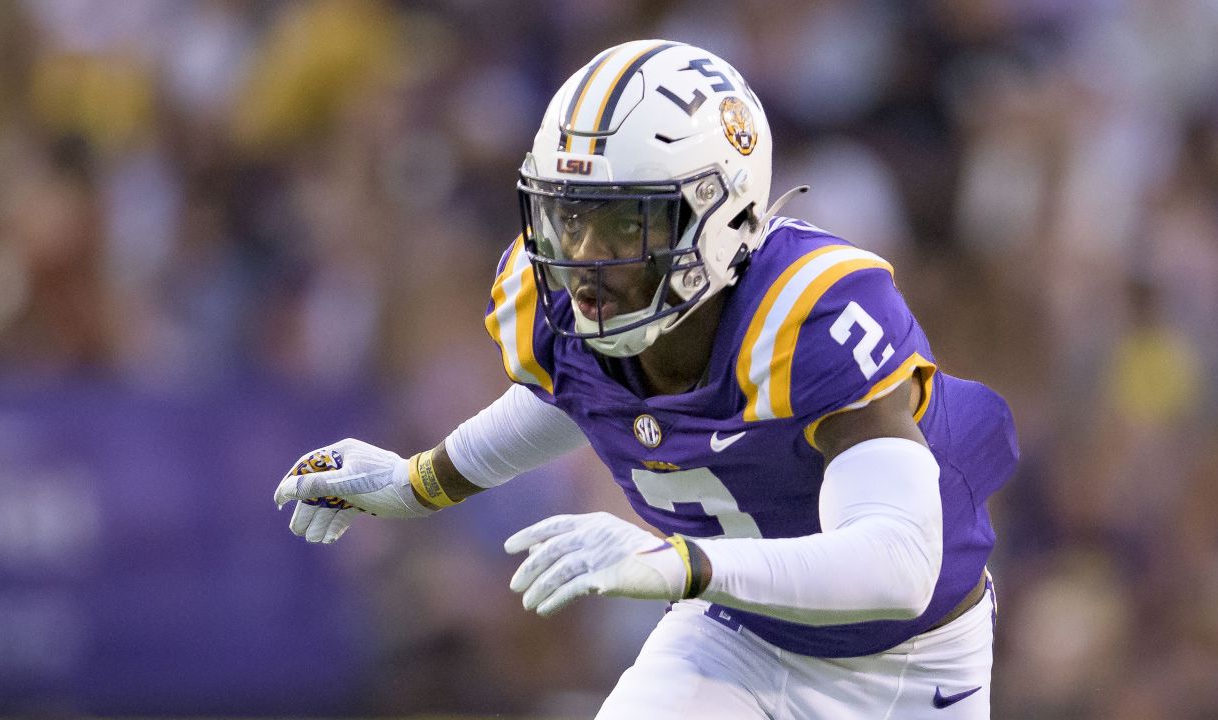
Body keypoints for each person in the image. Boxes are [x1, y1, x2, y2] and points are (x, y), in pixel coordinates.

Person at [274, 39, 1018, 720]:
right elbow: (567, 396)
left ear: (720, 215)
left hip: (907, 662)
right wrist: (417, 484)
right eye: (570, 217)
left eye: (627, 224)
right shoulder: (557, 306)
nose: (585, 259)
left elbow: (897, 566)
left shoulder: (806, 311)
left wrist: (677, 563)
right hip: (735, 635)